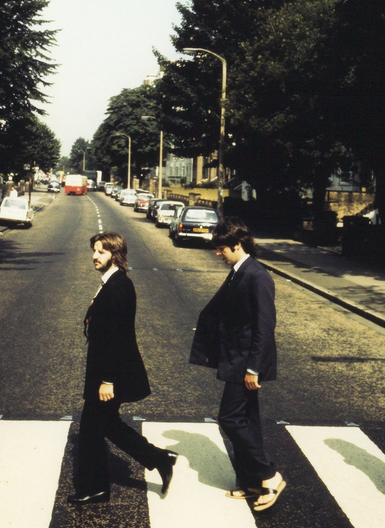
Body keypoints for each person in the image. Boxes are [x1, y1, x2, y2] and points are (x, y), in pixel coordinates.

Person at [69, 231, 177, 505]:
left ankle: (96, 487)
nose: (95, 256)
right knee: (106, 424)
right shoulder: (112, 283)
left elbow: (116, 337)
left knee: (92, 428)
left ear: (115, 255)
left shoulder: (118, 287)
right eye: (94, 251)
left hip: (109, 375)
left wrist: (107, 380)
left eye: (101, 252)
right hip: (106, 372)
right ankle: (158, 458)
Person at [189, 218, 285, 512]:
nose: (218, 253)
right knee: (248, 420)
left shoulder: (258, 276)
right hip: (236, 359)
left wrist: (254, 368)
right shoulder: (238, 272)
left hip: (246, 363)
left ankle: (269, 474)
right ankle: (251, 482)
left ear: (237, 244)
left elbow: (264, 326)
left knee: (230, 418)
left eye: (222, 248)